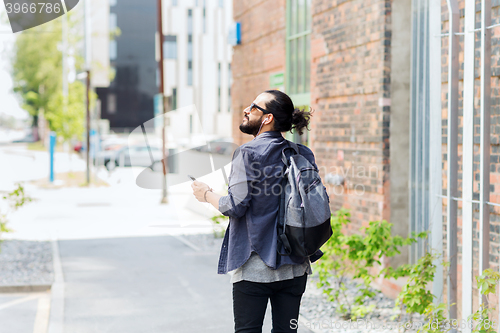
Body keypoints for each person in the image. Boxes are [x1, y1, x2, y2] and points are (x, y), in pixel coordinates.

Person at [191, 90, 322, 333]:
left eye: (253, 107)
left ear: (267, 118)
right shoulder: (303, 153)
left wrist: (206, 194)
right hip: (295, 263)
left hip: (255, 266)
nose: (246, 109)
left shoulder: (248, 153)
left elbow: (235, 205)